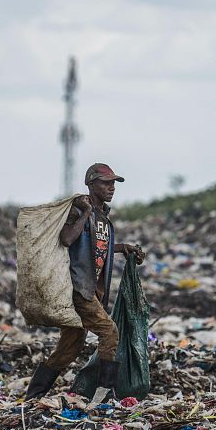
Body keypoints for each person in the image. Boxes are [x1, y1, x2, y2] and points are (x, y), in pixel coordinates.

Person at [25, 163, 145, 399]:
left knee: (69, 348)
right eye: (105, 182)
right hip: (78, 288)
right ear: (91, 184)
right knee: (110, 332)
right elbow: (67, 239)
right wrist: (86, 213)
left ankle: (33, 395)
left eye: (113, 183)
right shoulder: (79, 211)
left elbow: (100, 248)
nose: (111, 187)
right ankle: (104, 393)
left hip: (93, 290)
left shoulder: (105, 218)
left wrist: (124, 248)